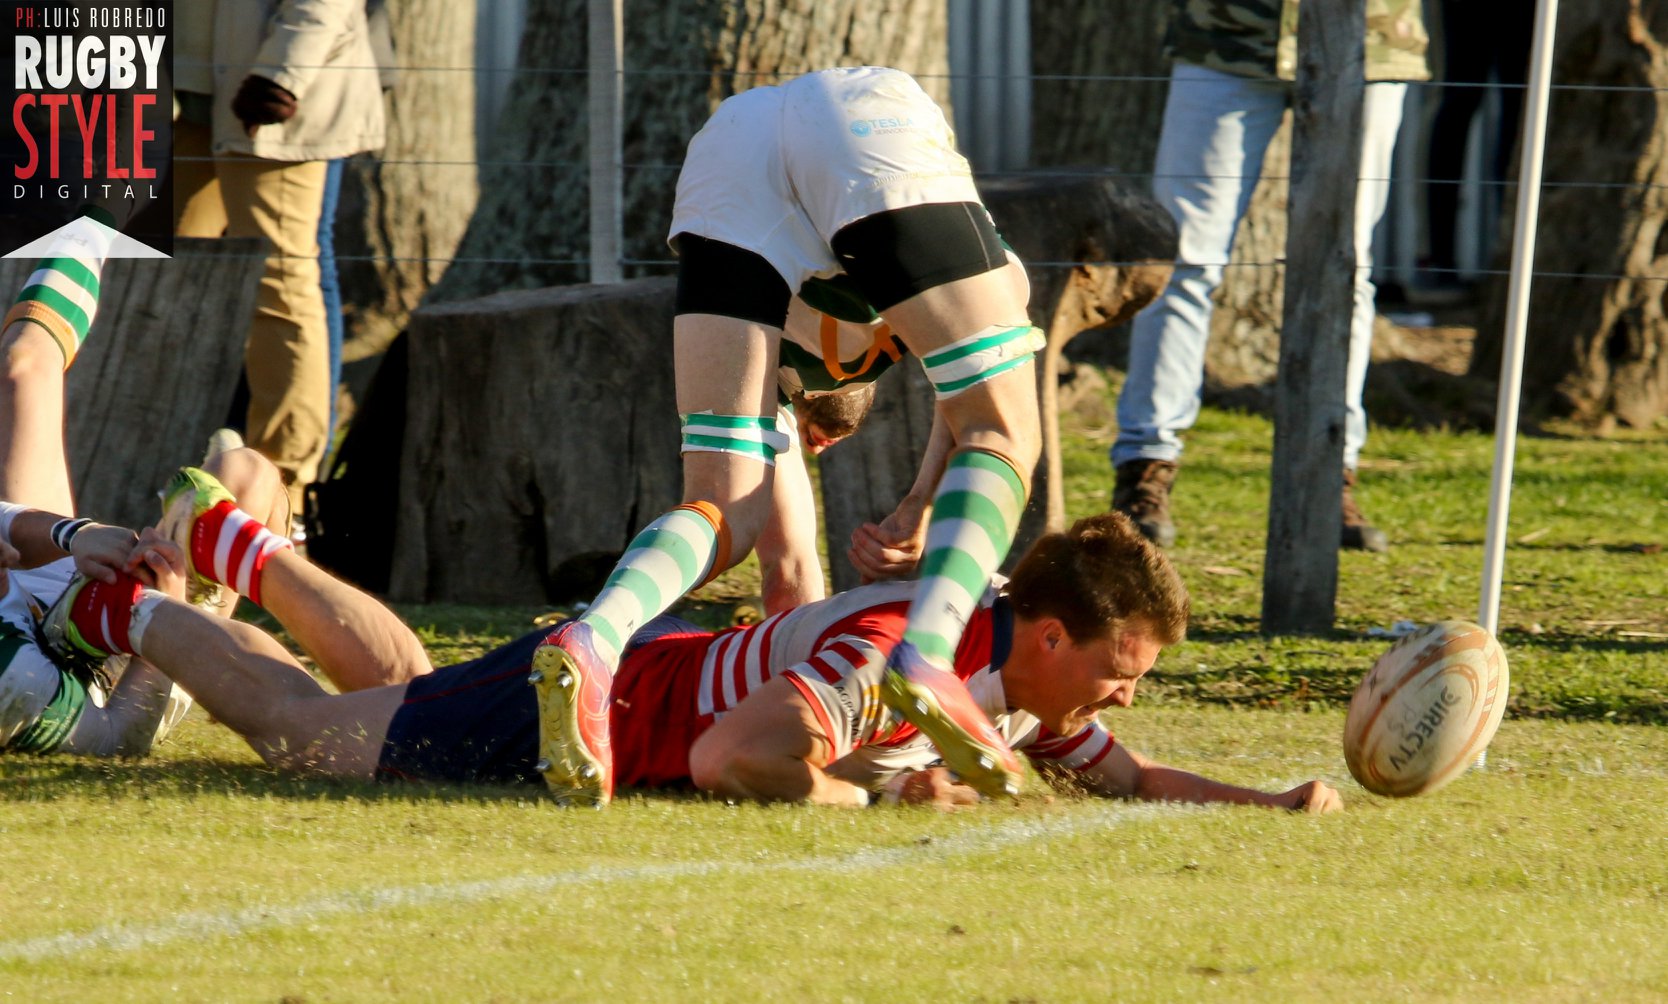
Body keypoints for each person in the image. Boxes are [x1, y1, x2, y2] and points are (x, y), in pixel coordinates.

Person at [46, 479, 1341, 815]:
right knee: (311, 741)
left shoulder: (1015, 668)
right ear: (1053, 635)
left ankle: (239, 546)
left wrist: (1269, 800)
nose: (1124, 695)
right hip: (602, 717)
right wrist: (875, 796)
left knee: (400, 689)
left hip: (601, 670)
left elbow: (1120, 771)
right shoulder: (911, 643)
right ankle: (125, 614)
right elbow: (737, 756)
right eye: (1122, 666)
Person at [536, 66, 1048, 806]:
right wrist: (919, 507)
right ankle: (929, 656)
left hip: (730, 143)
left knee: (719, 504)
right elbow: (974, 415)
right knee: (1005, 432)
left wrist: (915, 508)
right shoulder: (973, 286)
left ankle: (594, 637)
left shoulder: (787, 369)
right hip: (868, 120)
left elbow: (786, 556)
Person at [1112, 0, 1430, 553]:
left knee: (1345, 266)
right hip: (1227, 36)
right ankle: (1145, 465)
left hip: (1372, 40)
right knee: (1181, 258)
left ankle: (1333, 475)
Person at [0, 225, 273, 756]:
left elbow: (9, 525)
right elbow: (118, 737)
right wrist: (165, 615)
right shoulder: (11, 686)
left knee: (23, 367)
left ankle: (96, 213)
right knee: (245, 473)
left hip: (37, 604)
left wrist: (73, 534)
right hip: (104, 679)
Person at [173, 0, 386, 525]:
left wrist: (281, 74)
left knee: (283, 281)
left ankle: (281, 495)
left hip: (265, 91)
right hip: (172, 88)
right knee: (161, 279)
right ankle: (154, 469)